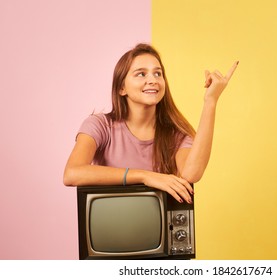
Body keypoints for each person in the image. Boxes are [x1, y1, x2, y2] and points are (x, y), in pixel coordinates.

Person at [63, 43, 238, 204]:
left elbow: (191, 173)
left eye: (157, 73)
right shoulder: (100, 125)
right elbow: (72, 174)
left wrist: (211, 101)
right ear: (121, 88)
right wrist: (145, 176)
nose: (152, 80)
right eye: (141, 73)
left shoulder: (176, 134)